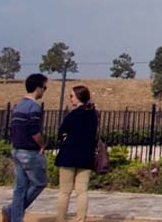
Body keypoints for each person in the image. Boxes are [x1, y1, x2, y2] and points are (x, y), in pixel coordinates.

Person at [3, 73, 48, 222]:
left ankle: (15, 216)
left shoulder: (19, 106)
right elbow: (34, 130)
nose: (44, 91)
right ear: (38, 88)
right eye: (44, 88)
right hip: (29, 151)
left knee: (20, 187)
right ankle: (12, 211)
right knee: (40, 183)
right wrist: (42, 144)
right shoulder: (34, 107)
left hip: (16, 149)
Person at [55, 85, 100, 222]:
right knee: (82, 191)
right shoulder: (93, 115)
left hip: (69, 155)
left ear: (79, 97)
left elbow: (61, 132)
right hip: (86, 155)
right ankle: (80, 219)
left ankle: (61, 219)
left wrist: (65, 137)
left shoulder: (73, 115)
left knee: (64, 191)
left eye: (72, 96)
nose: (70, 98)